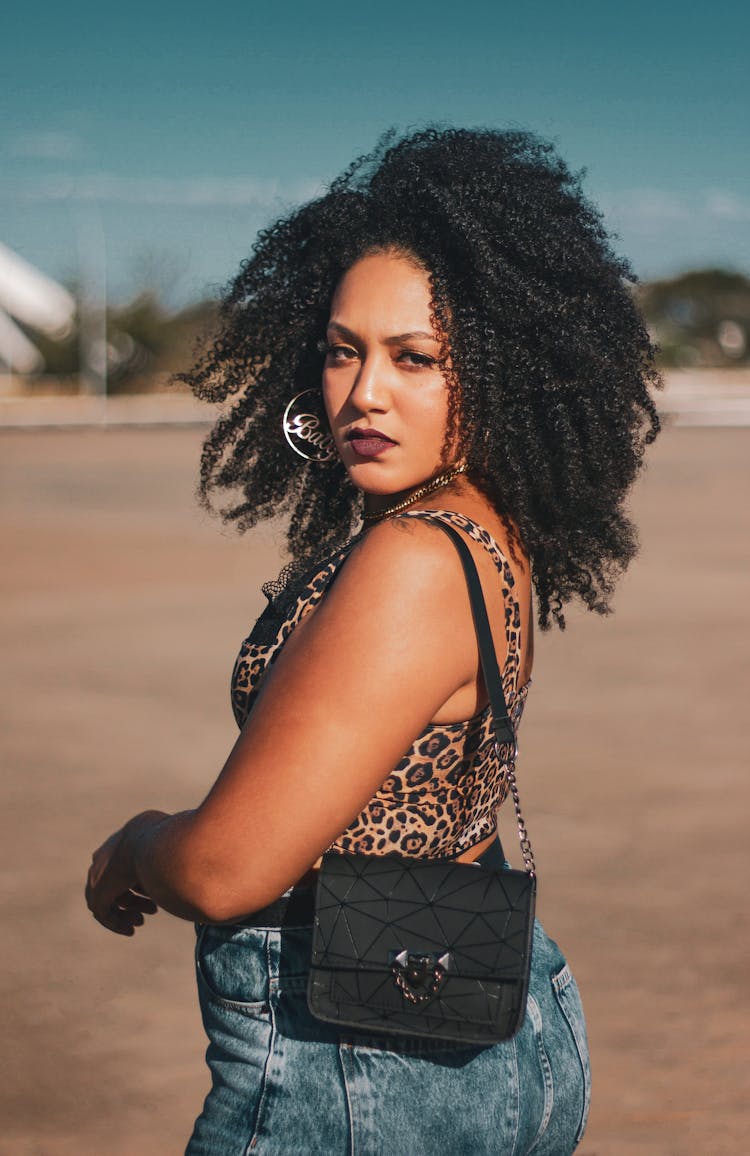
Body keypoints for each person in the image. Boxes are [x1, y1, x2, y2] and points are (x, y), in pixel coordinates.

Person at [85, 127, 660, 1154]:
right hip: (488, 1023)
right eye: (344, 348)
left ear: (501, 370)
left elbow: (227, 870)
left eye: (417, 358)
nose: (365, 392)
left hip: (357, 1070)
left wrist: (135, 843)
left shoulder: (413, 559)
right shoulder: (489, 529)